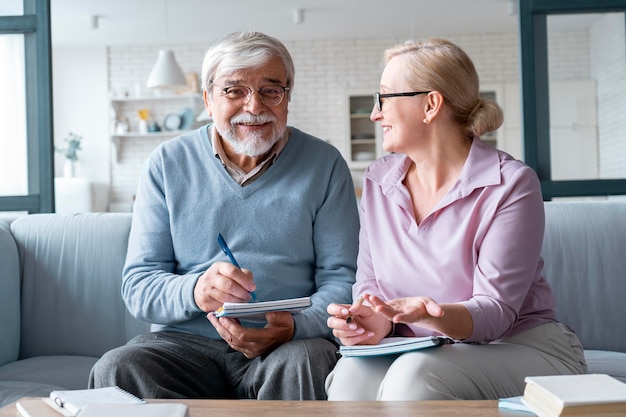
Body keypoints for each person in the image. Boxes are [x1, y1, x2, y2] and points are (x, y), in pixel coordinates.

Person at [89, 31, 359, 400]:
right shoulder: (166, 164)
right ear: (208, 100)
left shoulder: (324, 164)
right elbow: (138, 285)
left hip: (289, 344)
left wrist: (294, 327)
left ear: (287, 98)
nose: (254, 107)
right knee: (117, 368)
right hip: (184, 345)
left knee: (309, 360)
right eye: (234, 91)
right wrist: (196, 289)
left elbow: (343, 279)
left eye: (270, 90)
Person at [325, 38, 586, 401]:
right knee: (350, 375)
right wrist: (374, 318)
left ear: (430, 105)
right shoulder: (377, 182)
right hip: (426, 349)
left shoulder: (510, 183)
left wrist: (431, 314)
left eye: (384, 97)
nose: (375, 113)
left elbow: (497, 312)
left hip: (519, 345)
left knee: (413, 377)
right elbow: (371, 285)